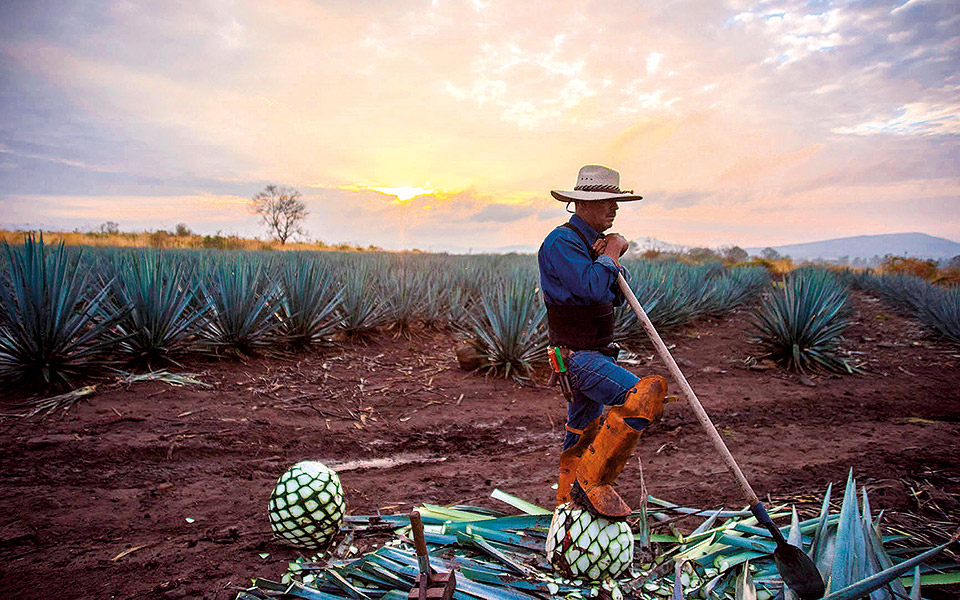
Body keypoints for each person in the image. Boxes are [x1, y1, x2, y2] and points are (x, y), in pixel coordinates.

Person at [538, 164, 667, 520]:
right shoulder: (561, 242)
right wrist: (611, 252)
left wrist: (608, 255)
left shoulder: (588, 244)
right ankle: (590, 484)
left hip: (594, 354)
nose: (614, 208)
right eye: (607, 201)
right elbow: (594, 287)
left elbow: (617, 295)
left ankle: (565, 514)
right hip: (577, 358)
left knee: (580, 434)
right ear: (582, 204)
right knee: (643, 397)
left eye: (616, 202)